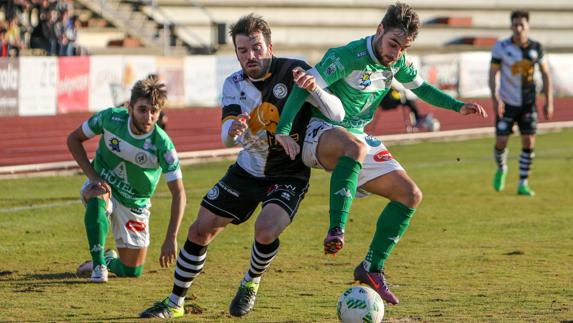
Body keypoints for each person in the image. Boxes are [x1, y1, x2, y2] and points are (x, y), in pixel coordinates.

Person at [274, 2, 487, 305]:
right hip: (320, 133)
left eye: (403, 47)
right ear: (379, 31)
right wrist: (283, 130)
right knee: (355, 146)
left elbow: (422, 88)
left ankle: (371, 267)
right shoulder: (346, 56)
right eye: (393, 44)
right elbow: (303, 87)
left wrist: (457, 105)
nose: (396, 53)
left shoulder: (397, 62)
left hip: (359, 138)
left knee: (410, 195)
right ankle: (337, 228)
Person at [139, 13, 343, 319]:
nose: (250, 56)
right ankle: (175, 303)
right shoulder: (233, 84)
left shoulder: (295, 70)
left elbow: (337, 114)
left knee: (265, 230)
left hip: (288, 172)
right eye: (243, 51)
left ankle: (251, 281)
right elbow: (226, 136)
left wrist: (315, 89)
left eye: (256, 48)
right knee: (199, 231)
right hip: (247, 169)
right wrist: (233, 132)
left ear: (269, 46)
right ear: (236, 52)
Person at [67, 75, 186, 283]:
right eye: (142, 110)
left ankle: (108, 259)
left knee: (132, 271)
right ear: (130, 107)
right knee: (97, 195)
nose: (148, 117)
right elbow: (73, 139)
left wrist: (171, 237)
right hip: (104, 185)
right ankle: (98, 265)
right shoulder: (110, 119)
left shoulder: (163, 146)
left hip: (134, 203)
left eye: (154, 111)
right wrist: (93, 176)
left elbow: (179, 192)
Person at [489, 10, 553, 196]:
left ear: (528, 26)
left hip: (528, 103)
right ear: (511, 26)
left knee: (529, 141)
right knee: (501, 141)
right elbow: (493, 73)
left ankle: (523, 183)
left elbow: (547, 75)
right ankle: (502, 169)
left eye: (522, 25)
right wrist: (495, 98)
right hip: (507, 102)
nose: (518, 29)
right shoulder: (501, 47)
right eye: (515, 25)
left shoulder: (536, 48)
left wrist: (549, 102)